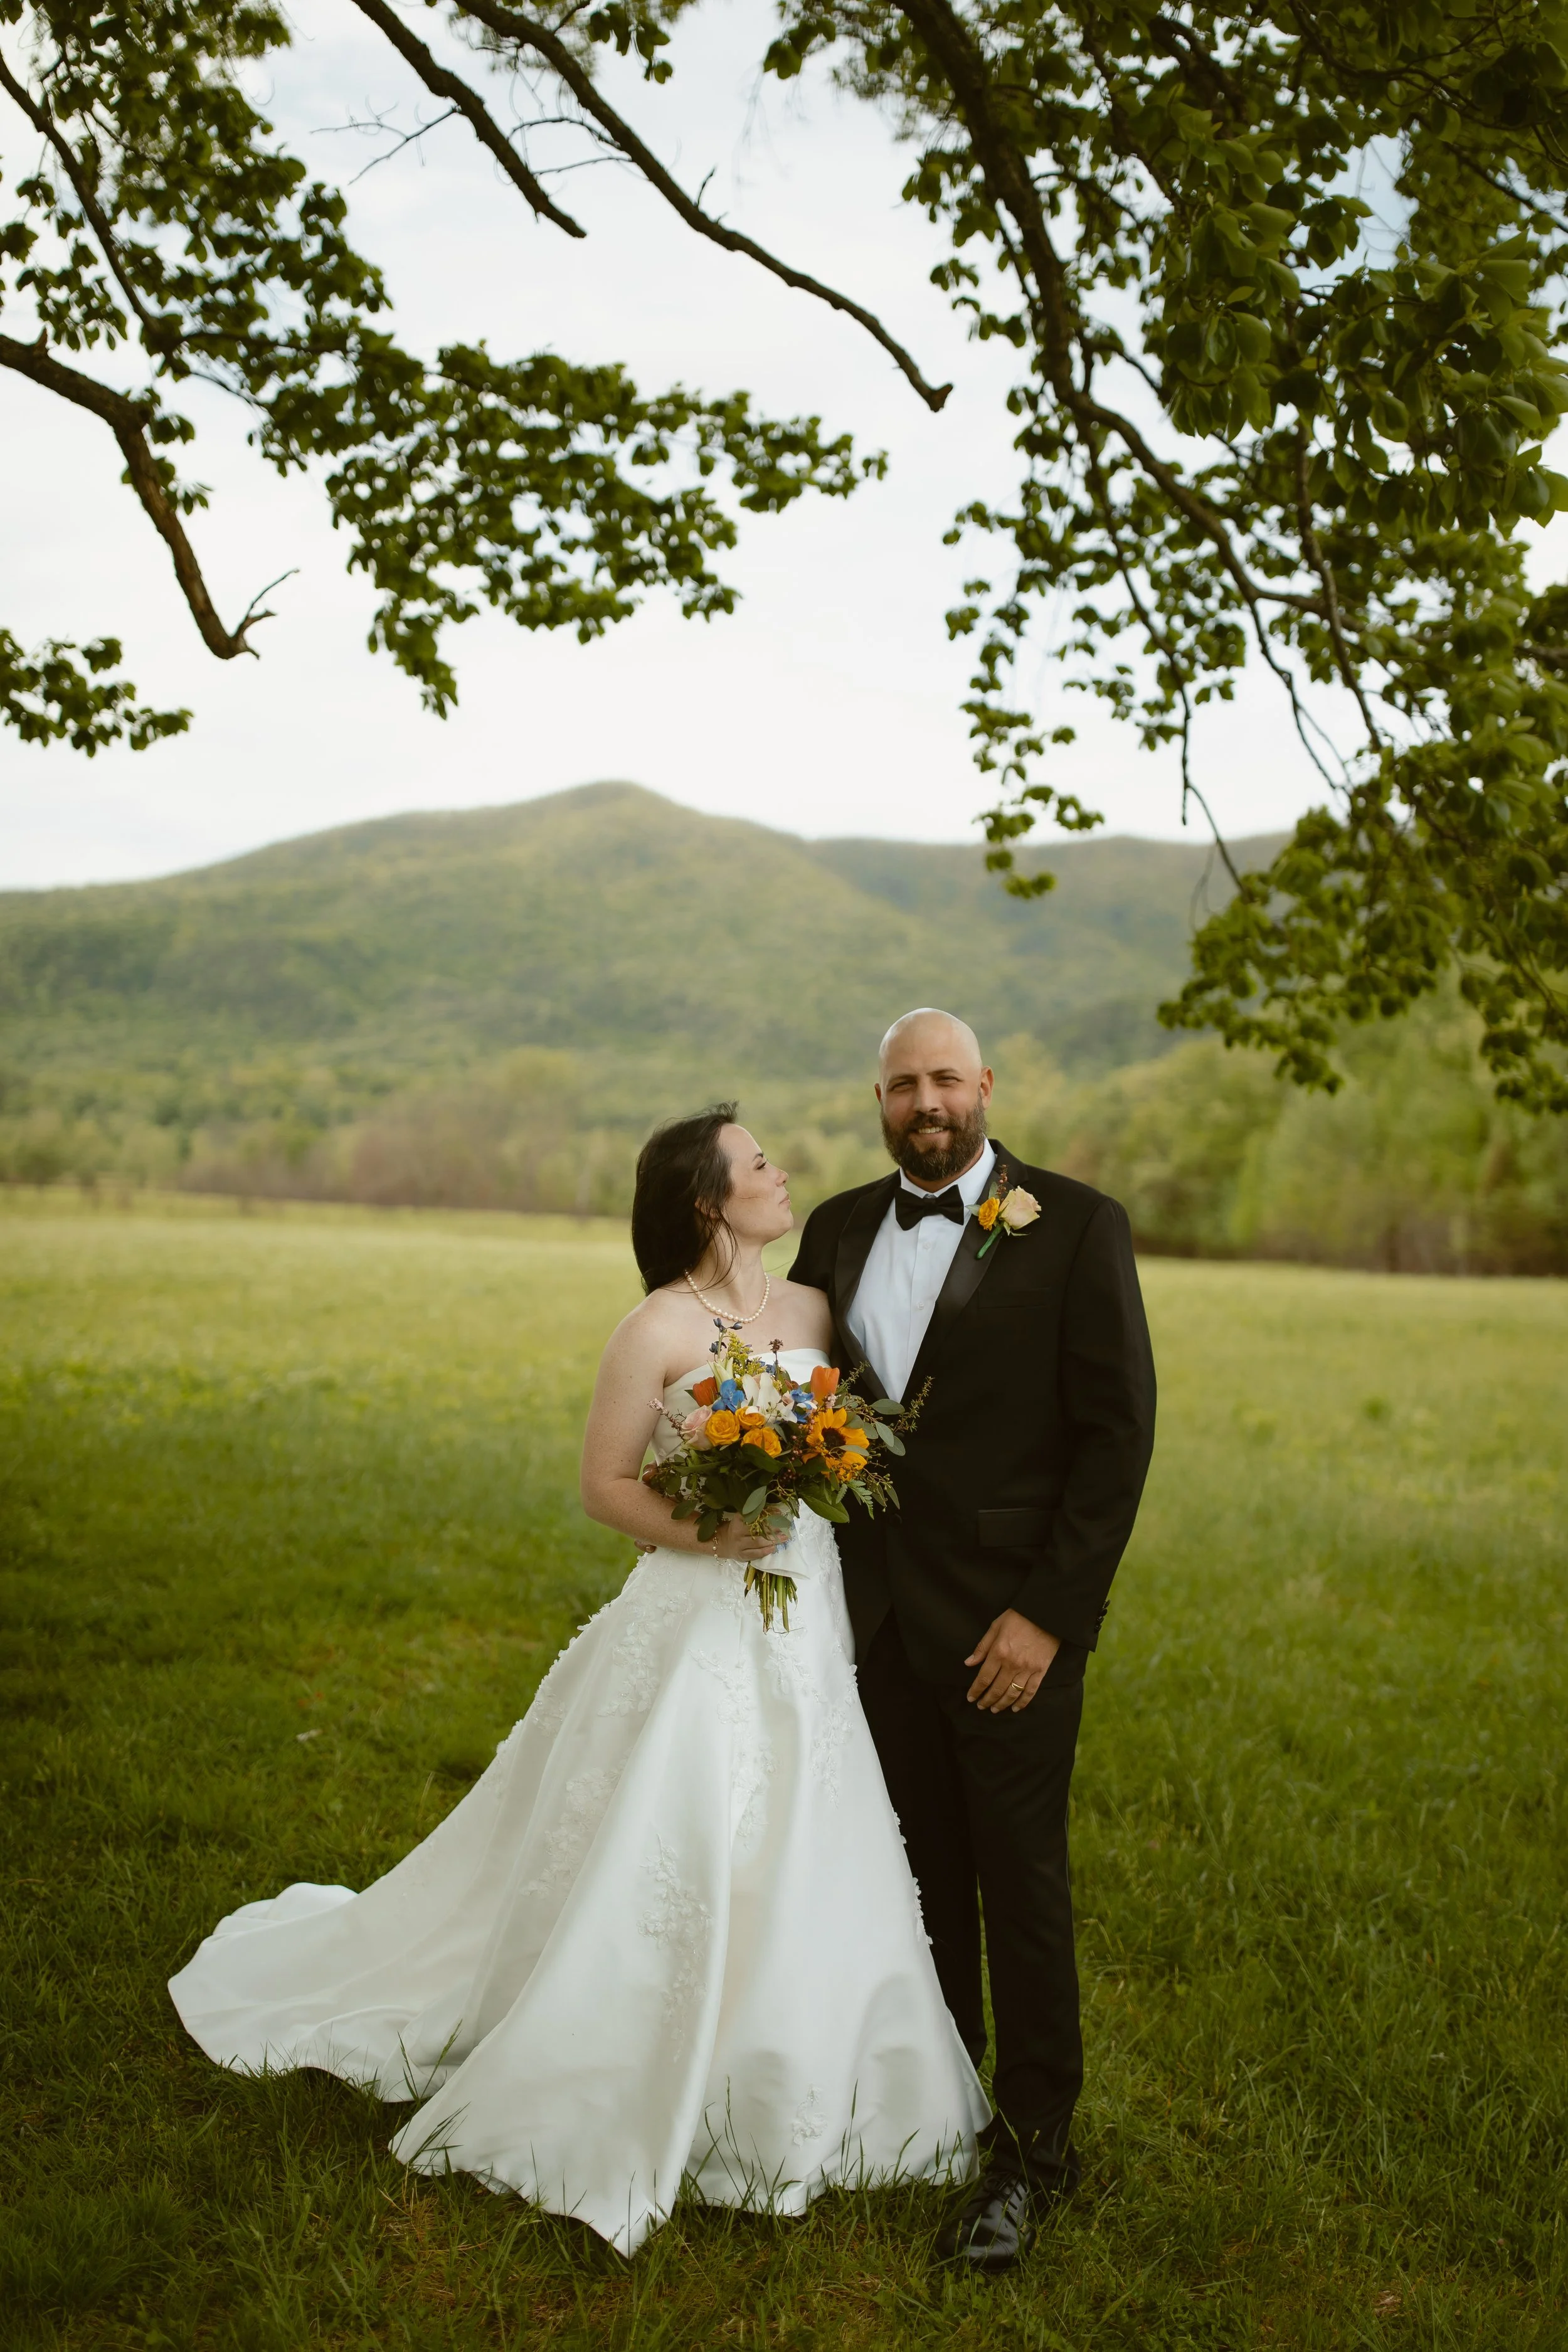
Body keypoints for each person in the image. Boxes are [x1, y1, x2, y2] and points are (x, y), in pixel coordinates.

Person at [168, 1103, 987, 2256]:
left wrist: (809, 1482)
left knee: (814, 1809)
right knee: (685, 1812)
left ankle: (807, 2060)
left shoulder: (810, 1308)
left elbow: (853, 1433)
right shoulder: (650, 1330)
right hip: (699, 1605)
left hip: (806, 1604)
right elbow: (606, 1486)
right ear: (709, 1200)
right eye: (759, 1162)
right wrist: (718, 1534)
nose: (781, 1169)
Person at [790, 1009, 1157, 2273]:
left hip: (1010, 1626)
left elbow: (1115, 1436)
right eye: (901, 1084)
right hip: (875, 1617)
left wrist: (1049, 1615)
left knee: (1019, 1884)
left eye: (944, 1079)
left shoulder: (1076, 1225)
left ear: (985, 1086)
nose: (924, 1102)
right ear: (876, 1098)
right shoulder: (835, 1226)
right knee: (915, 1880)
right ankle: (932, 2106)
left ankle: (1034, 2151)